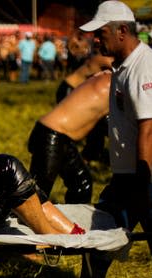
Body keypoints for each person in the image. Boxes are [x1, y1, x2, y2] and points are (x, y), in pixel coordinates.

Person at [78, 1, 152, 278]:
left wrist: (142, 190)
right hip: (127, 178)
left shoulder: (146, 67)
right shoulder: (123, 67)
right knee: (98, 237)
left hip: (150, 179)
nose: (96, 37)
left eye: (101, 31)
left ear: (122, 32)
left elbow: (149, 130)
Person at [28, 71, 111, 203]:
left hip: (60, 137)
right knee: (35, 198)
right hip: (51, 136)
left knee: (82, 183)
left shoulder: (107, 77)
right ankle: (8, 221)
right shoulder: (111, 81)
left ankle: (72, 222)